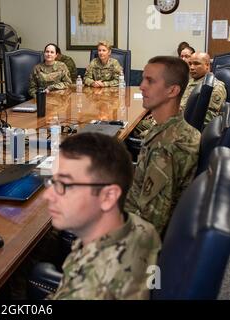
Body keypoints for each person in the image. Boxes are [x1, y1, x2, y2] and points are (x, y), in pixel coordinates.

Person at [43, 133, 160, 300]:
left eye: (65, 185)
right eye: (52, 182)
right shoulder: (142, 229)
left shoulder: (88, 292)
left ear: (108, 196)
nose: (48, 195)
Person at [125, 56, 201, 237]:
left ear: (173, 90)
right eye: (143, 78)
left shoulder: (165, 148)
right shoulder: (176, 128)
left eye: (150, 81)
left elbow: (150, 225)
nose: (142, 86)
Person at [180, 52, 227, 126]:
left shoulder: (214, 86)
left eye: (196, 64)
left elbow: (207, 120)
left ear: (207, 66)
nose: (191, 67)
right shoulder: (189, 81)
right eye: (190, 64)